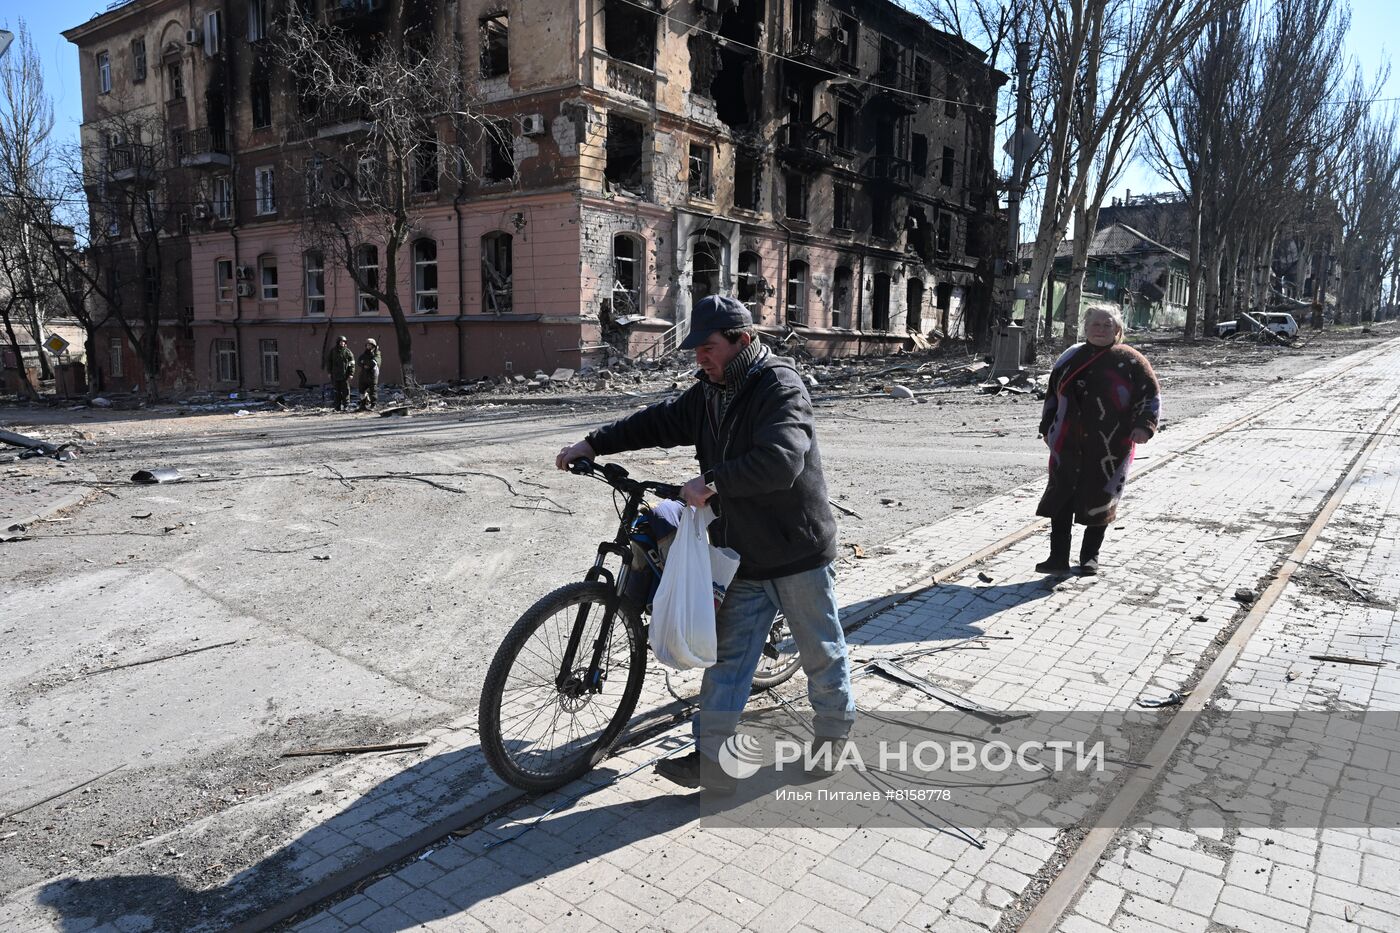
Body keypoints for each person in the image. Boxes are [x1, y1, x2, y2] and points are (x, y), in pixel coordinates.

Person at [555, 295, 855, 795]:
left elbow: (783, 460)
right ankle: (712, 758)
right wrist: (594, 442)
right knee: (729, 661)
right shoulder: (709, 392)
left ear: (743, 340)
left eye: (708, 348)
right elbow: (657, 422)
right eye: (696, 349)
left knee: (821, 652)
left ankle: (832, 738)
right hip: (742, 554)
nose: (700, 357)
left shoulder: (779, 386)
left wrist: (712, 482)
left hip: (796, 551)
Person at [1035, 305, 1160, 576]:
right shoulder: (1070, 357)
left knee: (1101, 498)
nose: (1101, 329)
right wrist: (1047, 427)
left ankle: (1090, 557)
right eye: (1095, 325)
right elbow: (1052, 395)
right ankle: (1057, 558)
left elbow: (1149, 395)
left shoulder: (1132, 360)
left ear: (1118, 329)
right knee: (1062, 497)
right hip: (1067, 443)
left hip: (1109, 446)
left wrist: (1144, 427)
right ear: (1086, 327)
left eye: (1107, 325)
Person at [328, 336, 355, 412]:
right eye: (341, 342)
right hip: (335, 375)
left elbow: (352, 364)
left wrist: (351, 373)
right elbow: (329, 362)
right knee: (337, 391)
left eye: (343, 342)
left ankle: (346, 406)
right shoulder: (333, 351)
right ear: (338, 342)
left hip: (344, 375)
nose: (342, 343)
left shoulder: (348, 352)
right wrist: (329, 372)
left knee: (345, 391)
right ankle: (337, 406)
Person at [356, 338, 382, 411]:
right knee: (362, 390)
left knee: (373, 391)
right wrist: (364, 364)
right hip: (363, 375)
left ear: (373, 346)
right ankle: (363, 405)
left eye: (370, 345)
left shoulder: (377, 354)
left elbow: (375, 362)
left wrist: (366, 363)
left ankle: (373, 405)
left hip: (372, 375)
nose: (368, 346)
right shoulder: (364, 354)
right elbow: (359, 361)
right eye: (367, 345)